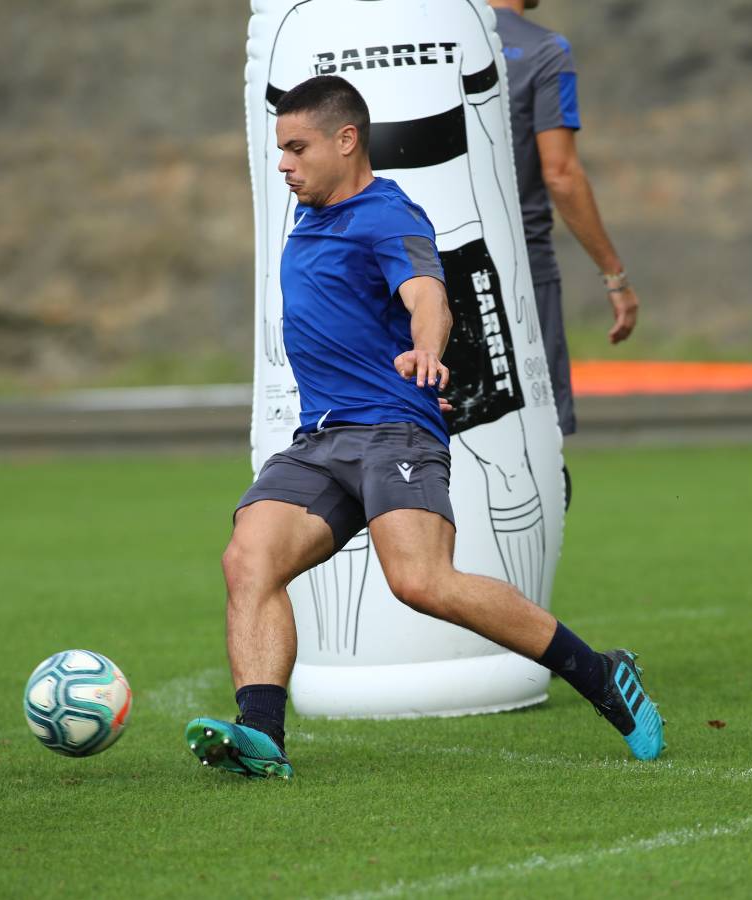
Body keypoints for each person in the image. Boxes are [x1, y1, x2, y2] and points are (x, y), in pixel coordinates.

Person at [185, 75, 663, 779]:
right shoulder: (309, 212)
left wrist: (427, 350)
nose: (282, 163)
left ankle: (598, 673)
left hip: (392, 432)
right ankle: (262, 737)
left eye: (296, 147)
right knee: (247, 561)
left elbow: (428, 296)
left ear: (347, 141)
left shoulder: (390, 213)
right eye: (278, 149)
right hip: (320, 439)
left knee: (420, 582)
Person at [490, 0, 641, 441]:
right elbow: (561, 174)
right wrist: (615, 276)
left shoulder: (428, 46)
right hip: (520, 273)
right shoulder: (544, 50)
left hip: (426, 272)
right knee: (535, 447)